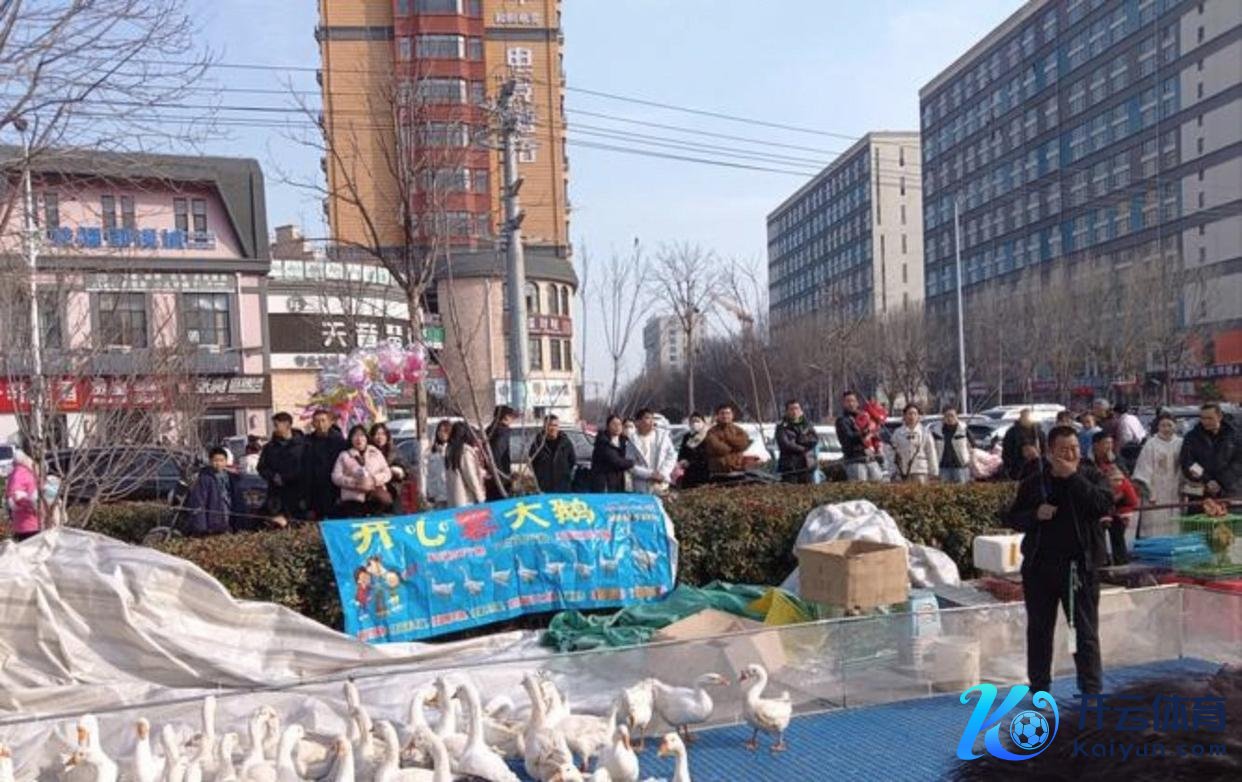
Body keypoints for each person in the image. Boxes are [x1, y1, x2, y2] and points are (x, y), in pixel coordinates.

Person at [1005, 424, 1114, 696]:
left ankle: (1090, 689)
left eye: (1075, 448)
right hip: (1040, 567)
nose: (1070, 454)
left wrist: (1073, 477)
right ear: (1050, 452)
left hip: (1079, 568)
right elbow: (1012, 517)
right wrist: (1035, 515)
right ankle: (1039, 688)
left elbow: (1102, 504)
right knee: (1039, 631)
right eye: (1064, 450)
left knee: (1083, 631)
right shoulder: (1035, 481)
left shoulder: (1091, 476)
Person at [1180, 402, 1242, 507]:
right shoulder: (1191, 437)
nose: (1205, 422)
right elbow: (1188, 462)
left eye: (1209, 418)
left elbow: (1238, 462)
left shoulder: (1235, 436)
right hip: (1200, 492)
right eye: (1202, 418)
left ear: (1220, 417)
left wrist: (1220, 481)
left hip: (1229, 491)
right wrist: (1207, 480)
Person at [1131, 413, 1183, 538]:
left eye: (1169, 425)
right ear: (1158, 427)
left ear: (1175, 426)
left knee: (1175, 524)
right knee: (1155, 523)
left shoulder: (1181, 443)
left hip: (1175, 490)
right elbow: (1143, 469)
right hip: (1155, 492)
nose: (1166, 429)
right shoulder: (1151, 444)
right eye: (1163, 425)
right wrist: (1149, 491)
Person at [1092, 432, 1139, 565]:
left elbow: (1125, 477)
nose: (1109, 446)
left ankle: (1121, 561)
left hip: (1119, 504)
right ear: (1096, 445)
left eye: (1111, 443)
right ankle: (1102, 562)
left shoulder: (1117, 459)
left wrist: (1113, 464)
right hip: (1100, 503)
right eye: (1106, 443)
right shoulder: (1089, 461)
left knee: (1118, 535)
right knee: (1099, 535)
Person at [332, 424, 394, 518]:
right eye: (355, 436)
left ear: (366, 438)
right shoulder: (344, 455)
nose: (359, 439)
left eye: (362, 435)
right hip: (353, 499)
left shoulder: (376, 452)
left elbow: (387, 472)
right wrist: (354, 483)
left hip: (375, 497)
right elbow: (336, 477)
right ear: (351, 439)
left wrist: (374, 480)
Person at [185, 447, 248, 536]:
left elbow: (239, 500)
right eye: (215, 460)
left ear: (226, 461)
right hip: (214, 522)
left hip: (231, 518)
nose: (218, 463)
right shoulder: (204, 479)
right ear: (210, 461)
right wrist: (201, 528)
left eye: (221, 460)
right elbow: (198, 503)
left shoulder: (232, 478)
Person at [257, 412, 306, 527]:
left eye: (276, 425)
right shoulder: (269, 447)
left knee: (298, 524)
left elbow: (307, 468)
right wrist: (273, 476)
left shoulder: (303, 445)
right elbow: (261, 467)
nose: (274, 428)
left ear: (287, 425)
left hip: (298, 492)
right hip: (276, 493)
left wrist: (290, 478)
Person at [302, 409, 348, 520]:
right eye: (317, 421)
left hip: (334, 490)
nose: (320, 424)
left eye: (323, 420)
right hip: (314, 491)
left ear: (330, 422)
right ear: (313, 424)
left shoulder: (339, 441)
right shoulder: (307, 442)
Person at [627, 408, 678, 494]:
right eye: (647, 418)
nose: (651, 421)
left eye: (652, 418)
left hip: (661, 483)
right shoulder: (632, 441)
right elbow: (630, 464)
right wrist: (650, 474)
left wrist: (663, 473)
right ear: (638, 422)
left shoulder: (662, 437)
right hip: (641, 485)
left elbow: (671, 456)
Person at [836, 391, 883, 482]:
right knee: (860, 485)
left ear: (857, 403)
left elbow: (875, 434)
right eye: (848, 401)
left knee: (878, 483)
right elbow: (849, 437)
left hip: (871, 459)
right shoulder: (842, 420)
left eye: (853, 401)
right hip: (855, 460)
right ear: (843, 403)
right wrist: (865, 432)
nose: (851, 404)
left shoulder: (865, 416)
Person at [703, 403, 753, 479]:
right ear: (717, 415)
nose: (725, 416)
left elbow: (743, 444)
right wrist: (734, 447)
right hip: (718, 473)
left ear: (732, 415)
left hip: (738, 471)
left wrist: (727, 439)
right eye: (722, 413)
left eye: (728, 413)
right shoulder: (712, 432)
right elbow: (717, 448)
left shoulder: (739, 430)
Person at [529, 414, 577, 493]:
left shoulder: (565, 443)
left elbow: (572, 461)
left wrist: (565, 474)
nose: (553, 428)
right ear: (544, 427)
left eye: (555, 425)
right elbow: (532, 463)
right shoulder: (538, 444)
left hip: (562, 486)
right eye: (550, 425)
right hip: (544, 487)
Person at [891, 404, 937, 484]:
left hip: (920, 470)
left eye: (915, 414)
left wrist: (934, 472)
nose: (912, 416)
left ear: (918, 416)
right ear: (904, 416)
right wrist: (892, 471)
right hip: (903, 471)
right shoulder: (898, 433)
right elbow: (892, 453)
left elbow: (931, 452)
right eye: (909, 413)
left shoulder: (925, 432)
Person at [775, 400, 818, 484]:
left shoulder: (807, 424)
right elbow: (785, 444)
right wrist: (803, 448)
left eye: (797, 408)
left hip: (808, 464)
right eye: (791, 409)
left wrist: (800, 440)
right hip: (790, 467)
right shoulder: (782, 426)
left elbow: (814, 439)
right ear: (787, 411)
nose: (794, 412)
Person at [445, 422, 487, 507]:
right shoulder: (465, 451)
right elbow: (470, 476)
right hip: (467, 499)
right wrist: (480, 496)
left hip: (455, 497)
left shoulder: (450, 450)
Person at [4, 442, 40, 542]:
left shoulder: (26, 471)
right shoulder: (21, 472)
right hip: (28, 522)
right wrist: (32, 504)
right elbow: (14, 497)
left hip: (30, 521)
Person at [369, 422, 409, 513]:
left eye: (382, 434)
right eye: (377, 434)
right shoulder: (368, 452)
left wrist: (399, 471)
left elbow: (405, 469)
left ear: (387, 436)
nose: (380, 437)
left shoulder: (394, 451)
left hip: (393, 489)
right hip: (373, 490)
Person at [590, 414, 633, 493]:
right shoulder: (603, 441)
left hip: (618, 482)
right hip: (604, 482)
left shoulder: (624, 441)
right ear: (607, 426)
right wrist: (633, 463)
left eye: (619, 424)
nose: (617, 427)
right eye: (614, 424)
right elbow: (616, 461)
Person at [1001, 408, 1047, 481]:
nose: (1026, 419)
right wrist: (1010, 466)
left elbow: (1044, 448)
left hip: (1037, 466)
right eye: (1024, 417)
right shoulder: (1012, 432)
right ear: (1020, 418)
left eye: (1028, 417)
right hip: (1018, 465)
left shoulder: (1038, 432)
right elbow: (1007, 450)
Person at [934, 406, 975, 484]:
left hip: (961, 466)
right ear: (943, 417)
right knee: (944, 489)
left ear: (957, 417)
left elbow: (973, 445)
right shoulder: (937, 431)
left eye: (952, 416)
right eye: (947, 416)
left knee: (962, 489)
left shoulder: (963, 429)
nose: (950, 418)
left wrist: (970, 460)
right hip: (943, 466)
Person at [485, 405, 517, 501]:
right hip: (500, 479)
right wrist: (505, 478)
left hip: (489, 477)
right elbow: (499, 455)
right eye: (512, 417)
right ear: (506, 417)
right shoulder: (502, 432)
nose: (513, 420)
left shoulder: (489, 430)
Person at [676, 413, 711, 490]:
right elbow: (682, 451)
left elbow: (707, 454)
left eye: (697, 421)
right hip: (689, 472)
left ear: (703, 422)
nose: (695, 423)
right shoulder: (687, 436)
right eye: (692, 421)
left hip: (704, 471)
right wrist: (682, 460)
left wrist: (692, 462)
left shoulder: (708, 436)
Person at [424, 419, 453, 507]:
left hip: (450, 492)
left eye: (445, 431)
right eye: (439, 431)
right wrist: (430, 492)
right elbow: (429, 473)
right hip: (438, 495)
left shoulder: (453, 449)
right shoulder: (432, 451)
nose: (441, 433)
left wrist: (443, 452)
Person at [1114, 405, 1148, 472]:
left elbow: (1126, 438)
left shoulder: (1123, 421)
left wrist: (1118, 448)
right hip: (1142, 442)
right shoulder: (1133, 417)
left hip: (1132, 448)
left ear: (1117, 413)